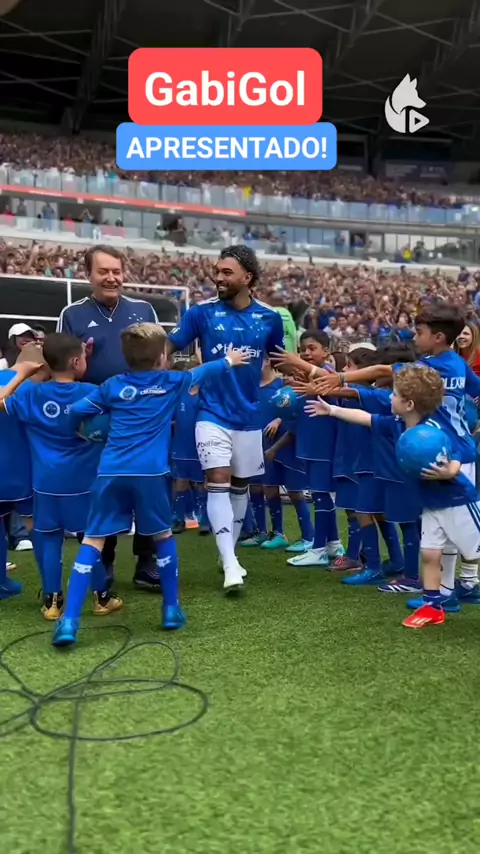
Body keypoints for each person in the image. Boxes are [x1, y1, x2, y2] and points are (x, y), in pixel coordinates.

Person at [50, 324, 250, 647]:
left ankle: (69, 622)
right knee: (162, 536)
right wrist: (229, 360)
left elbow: (76, 410)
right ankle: (171, 610)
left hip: (111, 472)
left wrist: (84, 432)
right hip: (151, 474)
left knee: (93, 540)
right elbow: (202, 372)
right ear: (161, 358)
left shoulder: (113, 385)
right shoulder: (171, 381)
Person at [305, 364, 480, 629]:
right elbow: (366, 418)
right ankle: (433, 606)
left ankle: (457, 590)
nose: (390, 398)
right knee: (429, 554)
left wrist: (450, 471)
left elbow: (459, 452)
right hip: (431, 506)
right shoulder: (397, 424)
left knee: (473, 552)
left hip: (458, 503)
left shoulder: (434, 430)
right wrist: (332, 410)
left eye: (394, 395)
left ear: (409, 404)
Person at [166, 245, 285, 592]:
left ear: (248, 277)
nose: (218, 278)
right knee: (217, 479)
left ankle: (227, 552)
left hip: (248, 416)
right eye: (216, 271)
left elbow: (279, 359)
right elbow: (168, 348)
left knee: (240, 485)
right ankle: (231, 564)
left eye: (226, 272)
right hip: (211, 412)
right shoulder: (200, 313)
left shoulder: (269, 318)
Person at [56, 244, 161, 591]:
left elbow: (159, 359)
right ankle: (104, 562)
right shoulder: (72, 314)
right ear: (88, 275)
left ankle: (147, 563)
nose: (112, 278)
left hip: (141, 417)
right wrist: (81, 361)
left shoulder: (143, 309)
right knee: (102, 491)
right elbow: (61, 369)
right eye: (103, 271)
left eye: (116, 271)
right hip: (97, 421)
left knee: (147, 488)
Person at [0, 333, 121, 620]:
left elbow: (2, 400)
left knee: (49, 540)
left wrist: (23, 374)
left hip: (45, 484)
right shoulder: (93, 392)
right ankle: (101, 597)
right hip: (83, 484)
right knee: (91, 539)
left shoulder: (30, 394)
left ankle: (52, 601)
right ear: (76, 361)